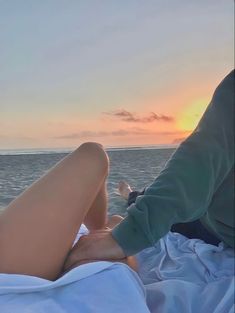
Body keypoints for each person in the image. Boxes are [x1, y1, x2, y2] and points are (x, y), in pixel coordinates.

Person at [63, 70, 234, 272]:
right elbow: (206, 155)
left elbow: (205, 153)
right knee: (147, 201)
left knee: (151, 206)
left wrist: (130, 235)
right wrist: (130, 233)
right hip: (212, 215)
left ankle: (130, 194)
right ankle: (129, 193)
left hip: (213, 224)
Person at [0, 142, 136, 280]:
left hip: (20, 273)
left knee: (93, 153)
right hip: (42, 273)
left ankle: (106, 220)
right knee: (115, 221)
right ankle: (111, 214)